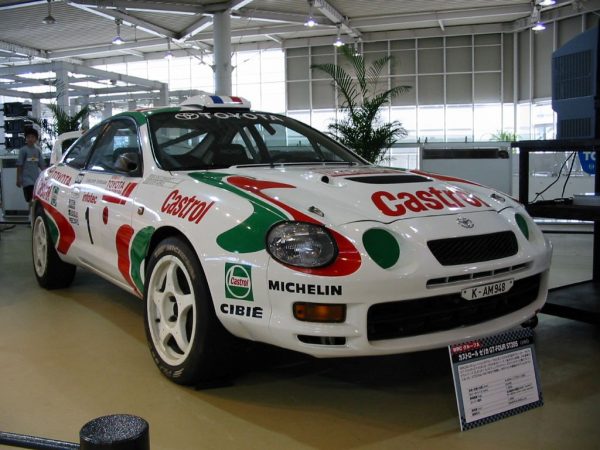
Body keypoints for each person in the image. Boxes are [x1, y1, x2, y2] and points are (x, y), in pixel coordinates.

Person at [16, 128, 46, 223]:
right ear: (26, 138)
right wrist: (18, 178)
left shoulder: (37, 151)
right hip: (26, 180)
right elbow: (19, 165)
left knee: (34, 199)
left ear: (36, 139)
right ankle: (31, 218)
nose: (30, 139)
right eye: (28, 137)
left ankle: (31, 217)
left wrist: (47, 176)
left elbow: (42, 165)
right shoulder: (23, 150)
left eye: (32, 137)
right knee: (30, 199)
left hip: (36, 180)